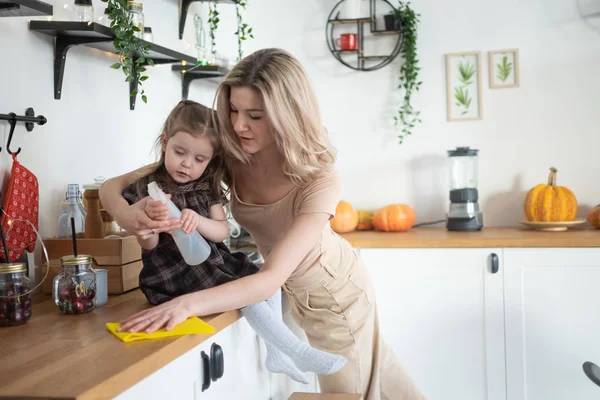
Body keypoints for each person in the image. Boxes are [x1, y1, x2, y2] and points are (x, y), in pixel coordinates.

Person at [100, 49, 424, 399]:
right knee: (387, 381)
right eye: (234, 111)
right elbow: (111, 186)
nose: (239, 125)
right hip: (296, 293)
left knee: (351, 395)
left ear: (287, 115)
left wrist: (186, 304)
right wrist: (127, 216)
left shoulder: (320, 179)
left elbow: (268, 279)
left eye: (254, 115)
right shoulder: (236, 154)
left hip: (335, 295)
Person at [115, 99, 346, 384]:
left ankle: (276, 352)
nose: (187, 164)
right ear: (165, 142)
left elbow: (221, 232)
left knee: (261, 281)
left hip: (211, 263)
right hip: (173, 276)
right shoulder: (147, 189)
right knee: (247, 294)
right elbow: (148, 247)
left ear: (211, 160)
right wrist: (148, 228)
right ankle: (295, 350)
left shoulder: (205, 186)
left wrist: (197, 221)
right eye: (179, 152)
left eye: (200, 159)